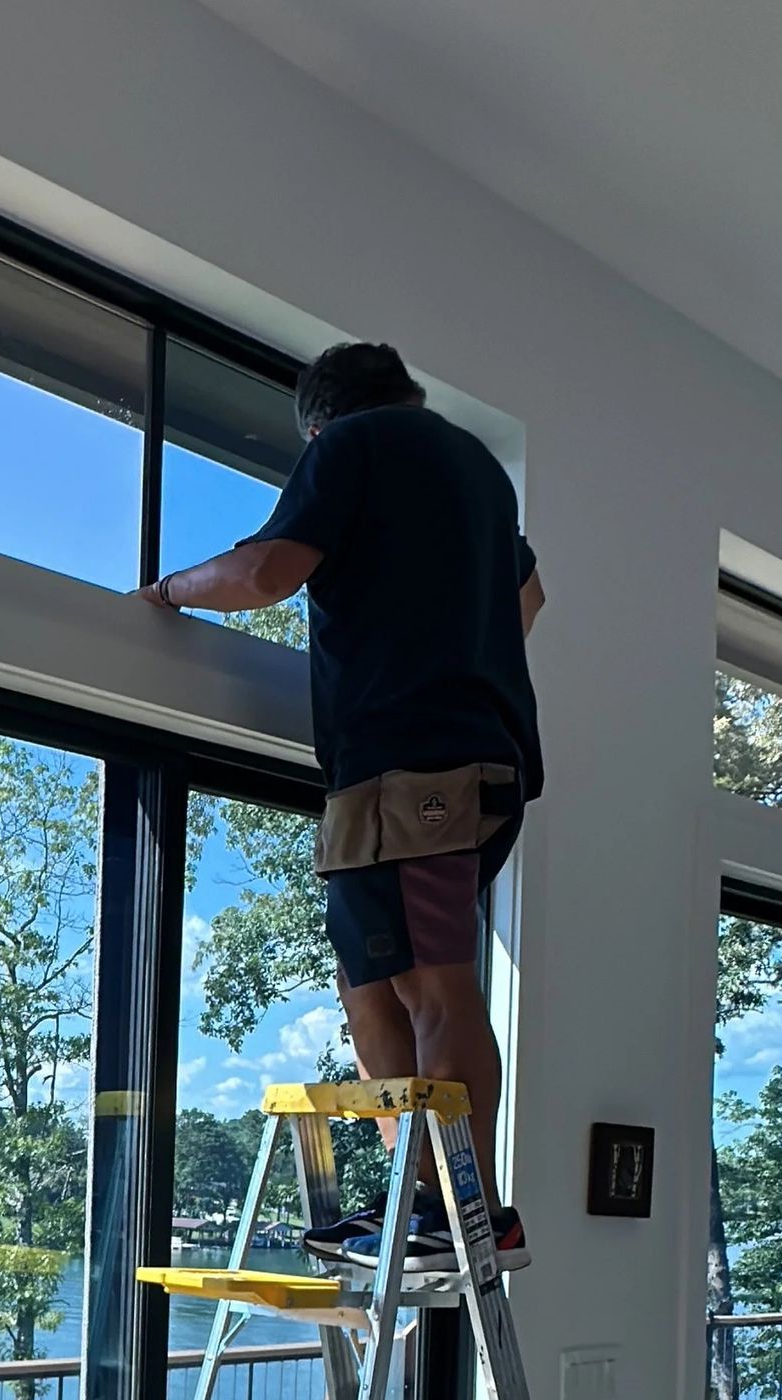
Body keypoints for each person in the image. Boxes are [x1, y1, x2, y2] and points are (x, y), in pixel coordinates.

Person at [143, 339, 542, 1267]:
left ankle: (465, 1215)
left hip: (426, 763)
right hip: (393, 770)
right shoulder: (479, 470)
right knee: (371, 988)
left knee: (434, 987)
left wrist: (167, 591)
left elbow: (268, 570)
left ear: (320, 422)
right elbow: (529, 598)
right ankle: (416, 1194)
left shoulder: (356, 445)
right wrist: (447, 636)